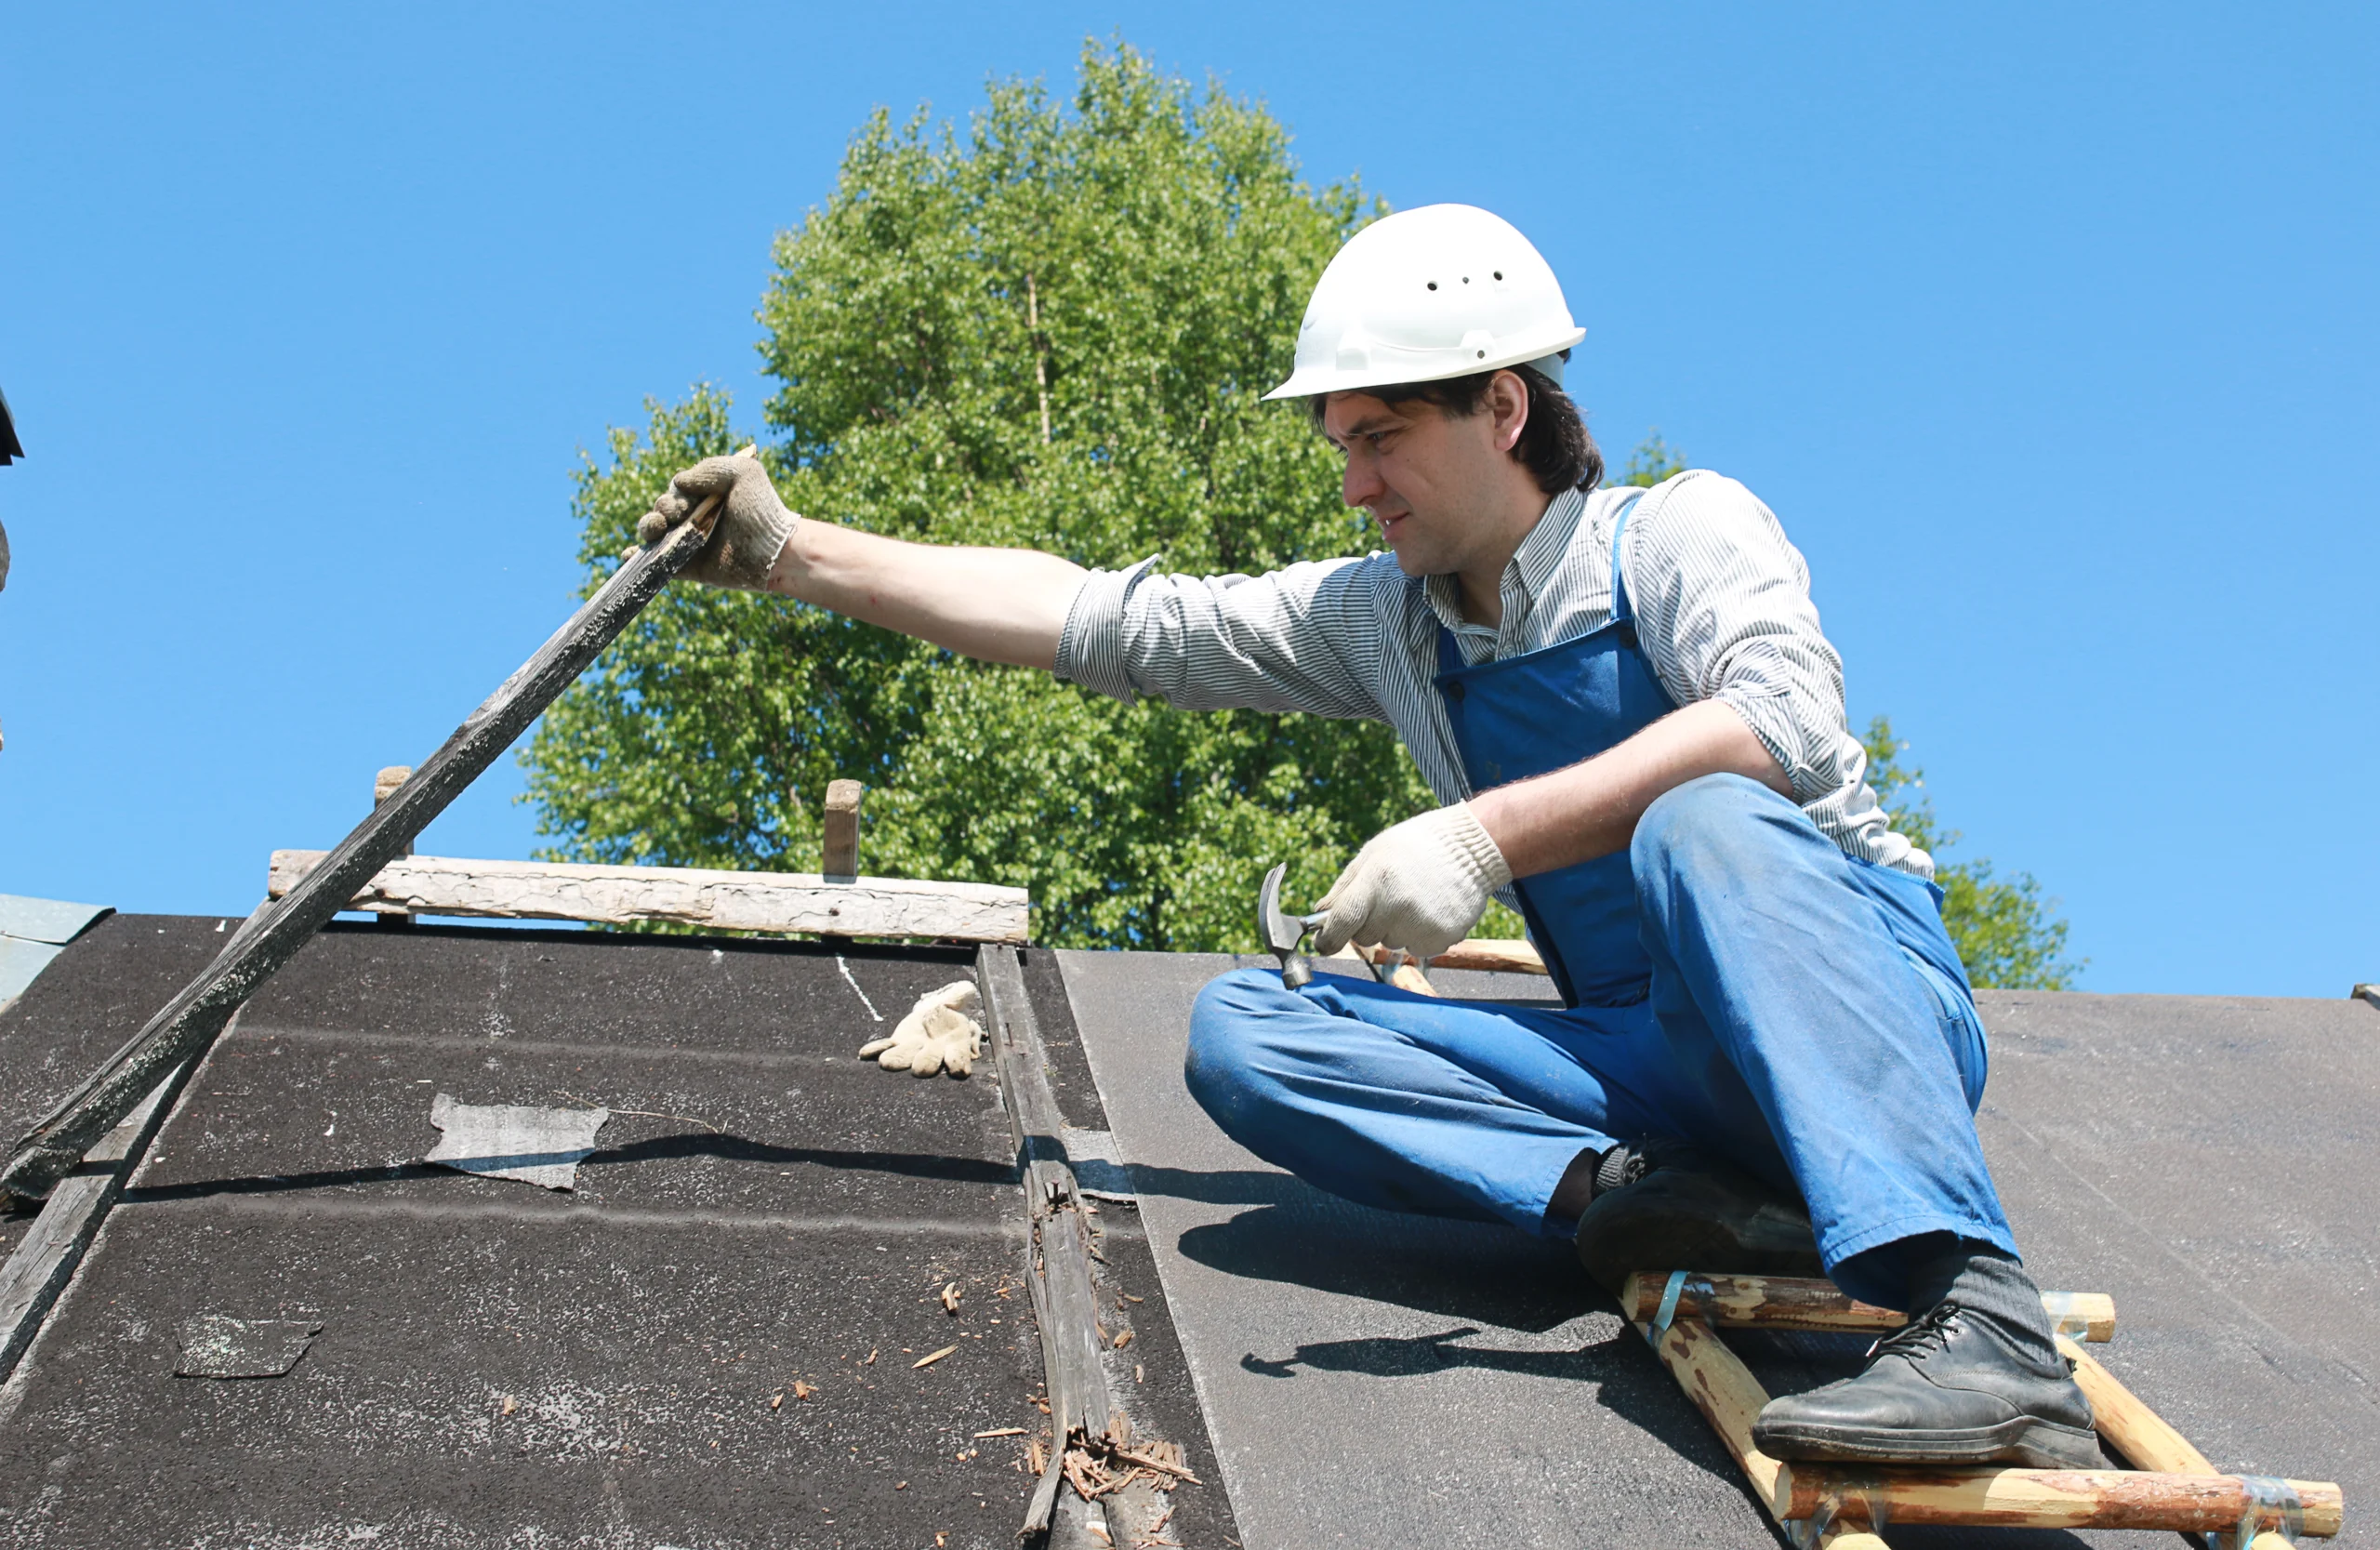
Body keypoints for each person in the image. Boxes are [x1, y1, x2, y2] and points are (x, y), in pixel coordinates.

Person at [637, 203, 2096, 1468]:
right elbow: (1113, 620)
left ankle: (1977, 1307)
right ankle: (1645, 1206)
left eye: (1382, 437)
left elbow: (1779, 728)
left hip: (1868, 1014)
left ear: (1504, 409)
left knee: (1702, 815)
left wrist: (1477, 833)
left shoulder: (1681, 533)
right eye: (1344, 443)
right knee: (1245, 1035)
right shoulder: (1386, 622)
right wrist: (792, 552)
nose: (1354, 481)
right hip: (1660, 1073)